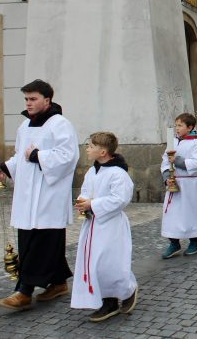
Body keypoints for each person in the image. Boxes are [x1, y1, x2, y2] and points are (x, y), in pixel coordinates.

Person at [0, 79, 79, 310]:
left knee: (40, 243)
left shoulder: (60, 124)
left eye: (33, 99)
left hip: (48, 196)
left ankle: (24, 291)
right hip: (26, 197)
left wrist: (38, 156)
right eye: (26, 99)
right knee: (36, 242)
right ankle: (59, 282)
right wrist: (5, 166)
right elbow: (20, 155)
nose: (29, 104)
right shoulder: (25, 126)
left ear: (47, 100)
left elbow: (68, 157)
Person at [71, 132, 138, 322]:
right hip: (93, 223)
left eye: (91, 146)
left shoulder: (118, 174)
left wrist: (93, 204)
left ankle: (126, 291)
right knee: (93, 263)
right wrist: (83, 203)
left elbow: (120, 199)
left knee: (108, 264)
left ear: (103, 151)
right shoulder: (92, 171)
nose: (87, 149)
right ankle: (105, 300)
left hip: (111, 225)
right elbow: (86, 191)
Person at [160, 113, 197, 258]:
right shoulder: (173, 142)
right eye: (176, 125)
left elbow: (196, 164)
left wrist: (176, 160)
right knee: (172, 213)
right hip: (174, 181)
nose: (176, 128)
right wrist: (166, 177)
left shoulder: (196, 143)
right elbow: (164, 161)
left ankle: (195, 241)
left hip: (190, 184)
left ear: (190, 127)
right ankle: (174, 242)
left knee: (191, 212)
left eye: (180, 125)